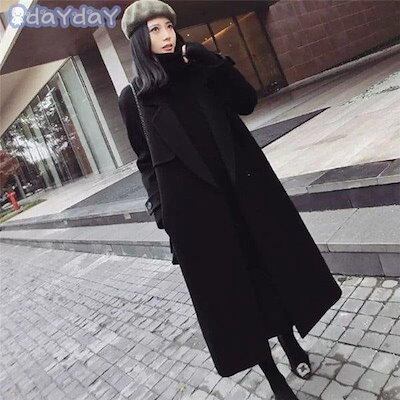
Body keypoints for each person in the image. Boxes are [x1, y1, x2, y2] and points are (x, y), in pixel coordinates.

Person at [118, 1, 342, 399]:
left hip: (247, 197)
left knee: (270, 272)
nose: (166, 35)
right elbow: (145, 160)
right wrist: (162, 213)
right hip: (199, 217)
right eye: (154, 30)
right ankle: (272, 376)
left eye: (169, 26)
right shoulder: (134, 98)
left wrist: (212, 60)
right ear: (139, 40)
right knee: (237, 295)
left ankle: (291, 344)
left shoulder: (198, 69)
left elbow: (246, 102)